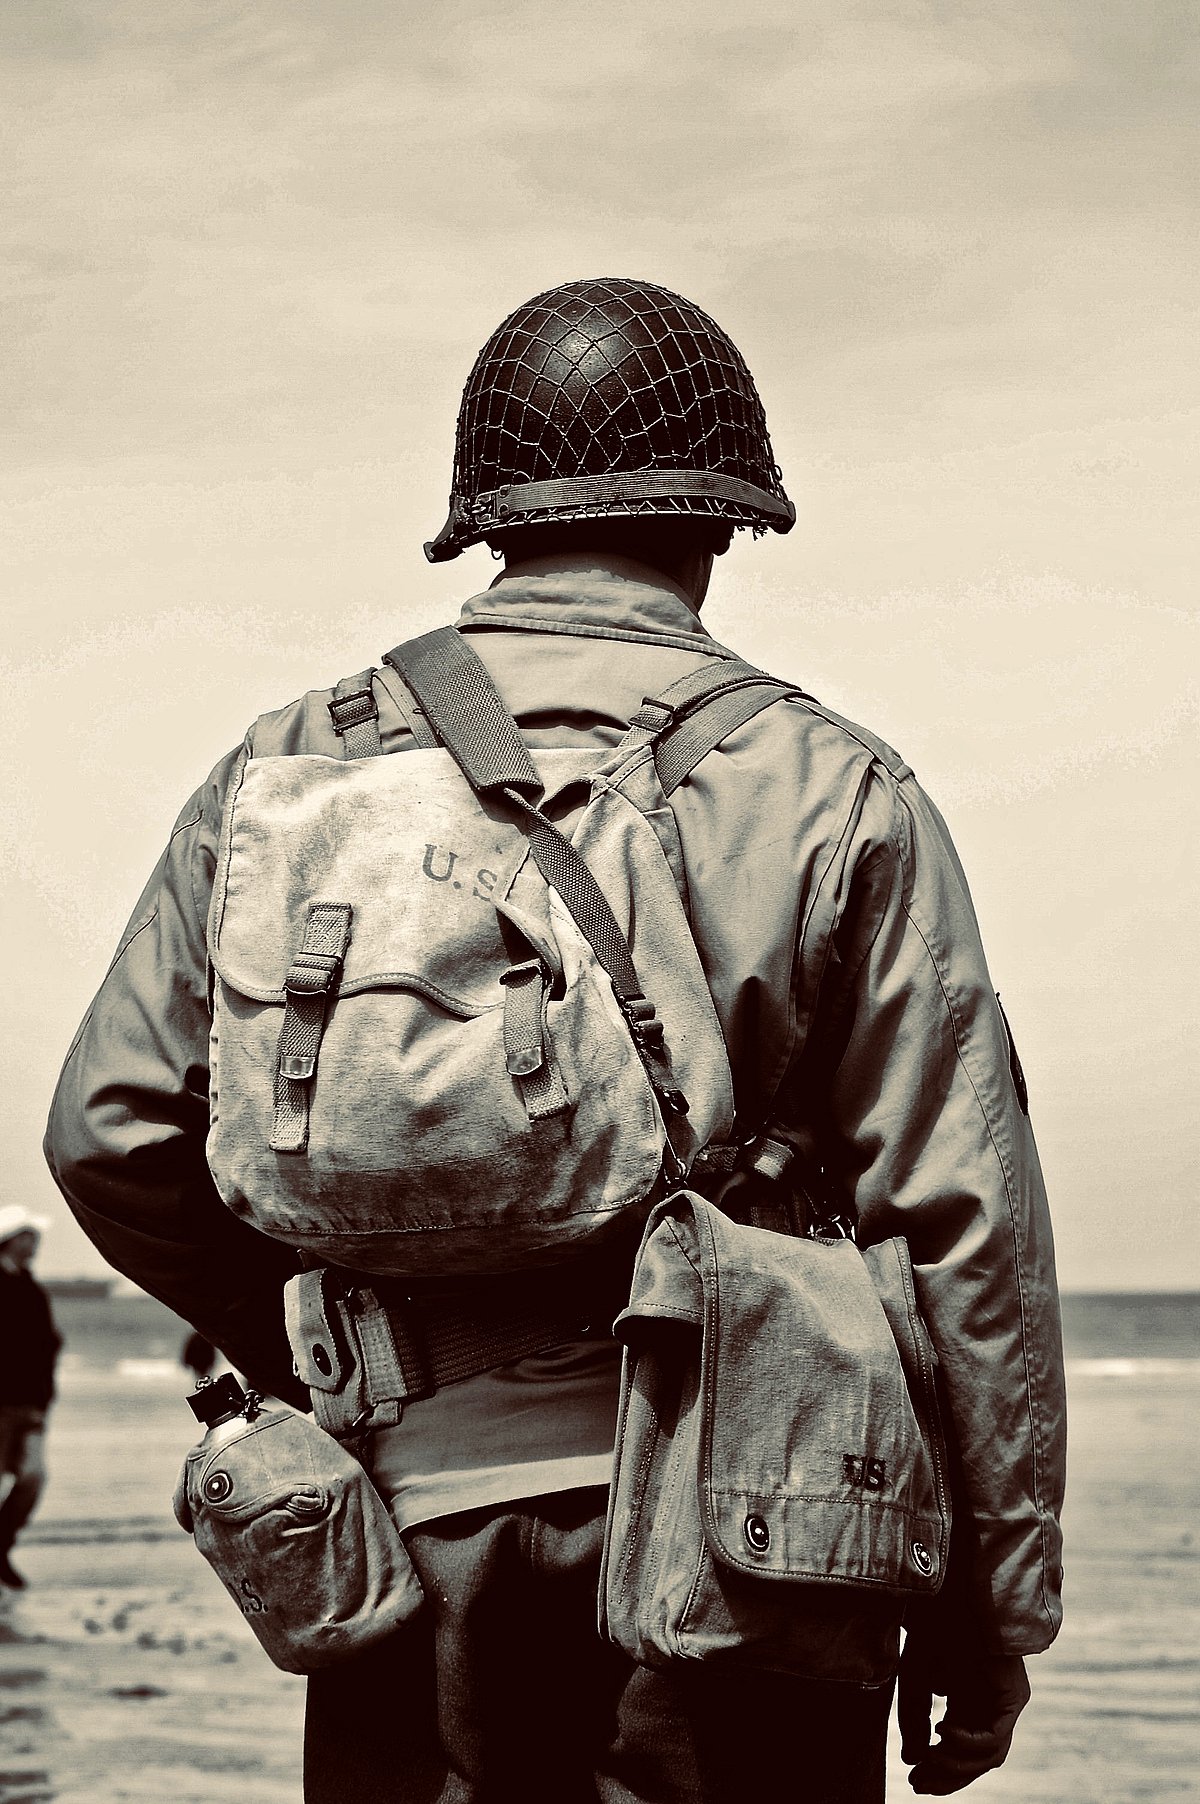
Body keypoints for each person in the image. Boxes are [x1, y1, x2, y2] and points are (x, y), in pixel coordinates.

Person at [44, 277, 1066, 1801]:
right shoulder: (832, 787)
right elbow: (960, 1227)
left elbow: (110, 1133)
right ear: (722, 524)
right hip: (760, 1540)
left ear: (490, 523)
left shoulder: (285, 771)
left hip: (407, 1546)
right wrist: (995, 1606)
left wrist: (349, 1353)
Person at [0, 1204, 61, 1590]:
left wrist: (44, 1396)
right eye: (29, 1235)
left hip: (31, 1405)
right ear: (11, 1240)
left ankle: (1, 1546)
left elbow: (46, 1346)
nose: (36, 1242)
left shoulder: (33, 1290)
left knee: (32, 1478)